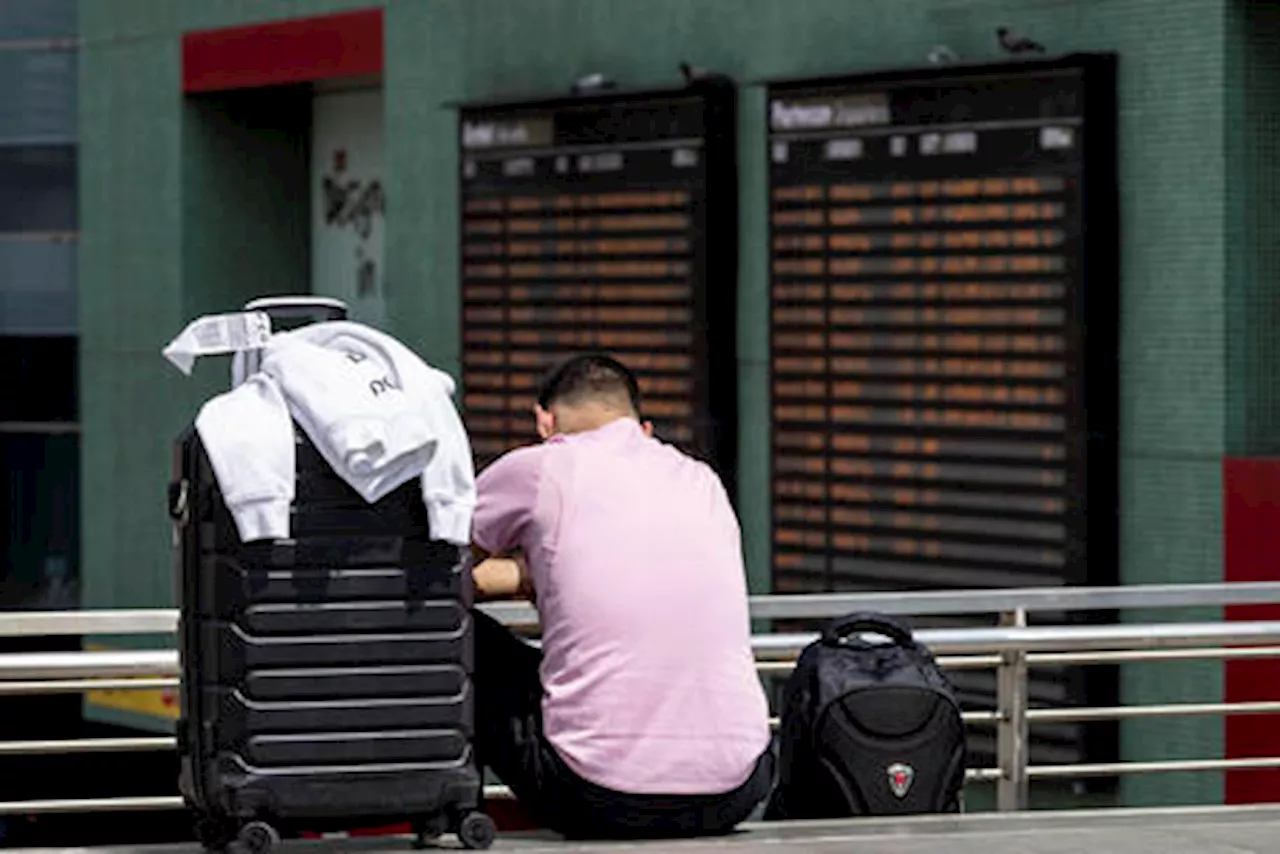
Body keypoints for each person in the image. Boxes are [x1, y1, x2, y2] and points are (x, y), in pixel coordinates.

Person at [468, 353, 773, 839]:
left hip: (596, 795)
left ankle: (457, 815)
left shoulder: (542, 467)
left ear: (545, 422)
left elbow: (438, 567)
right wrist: (536, 572)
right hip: (736, 789)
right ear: (644, 428)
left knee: (459, 633)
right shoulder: (702, 480)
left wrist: (511, 575)